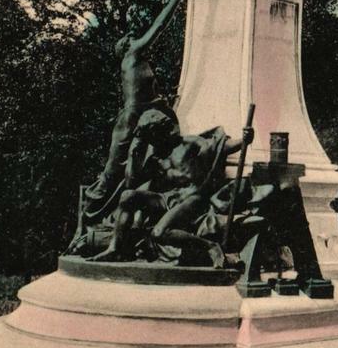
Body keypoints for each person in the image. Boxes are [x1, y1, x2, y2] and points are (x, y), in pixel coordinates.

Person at [84, 0, 222, 215]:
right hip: (134, 119)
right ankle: (93, 209)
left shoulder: (136, 58)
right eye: (128, 36)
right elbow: (158, 27)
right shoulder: (133, 53)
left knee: (136, 165)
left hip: (147, 115)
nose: (133, 33)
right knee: (113, 172)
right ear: (124, 48)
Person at [88, 108, 254, 267]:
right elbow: (131, 182)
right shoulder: (156, 158)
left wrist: (243, 140)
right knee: (127, 196)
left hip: (192, 198)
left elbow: (220, 147)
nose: (153, 142)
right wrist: (134, 152)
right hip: (167, 198)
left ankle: (210, 246)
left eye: (154, 136)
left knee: (159, 233)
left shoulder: (189, 143)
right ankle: (116, 249)